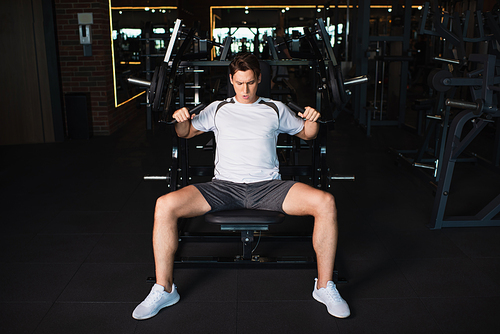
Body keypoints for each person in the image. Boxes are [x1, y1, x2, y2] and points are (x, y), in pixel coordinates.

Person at [132, 53, 350, 320]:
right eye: (238, 83)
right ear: (231, 81)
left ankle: (324, 286)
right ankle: (164, 288)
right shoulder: (218, 108)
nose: (244, 90)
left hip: (269, 187)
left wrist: (313, 118)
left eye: (249, 83)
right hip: (224, 187)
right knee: (164, 205)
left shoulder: (275, 108)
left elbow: (308, 133)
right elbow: (185, 133)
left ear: (259, 79)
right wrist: (182, 118)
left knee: (325, 202)